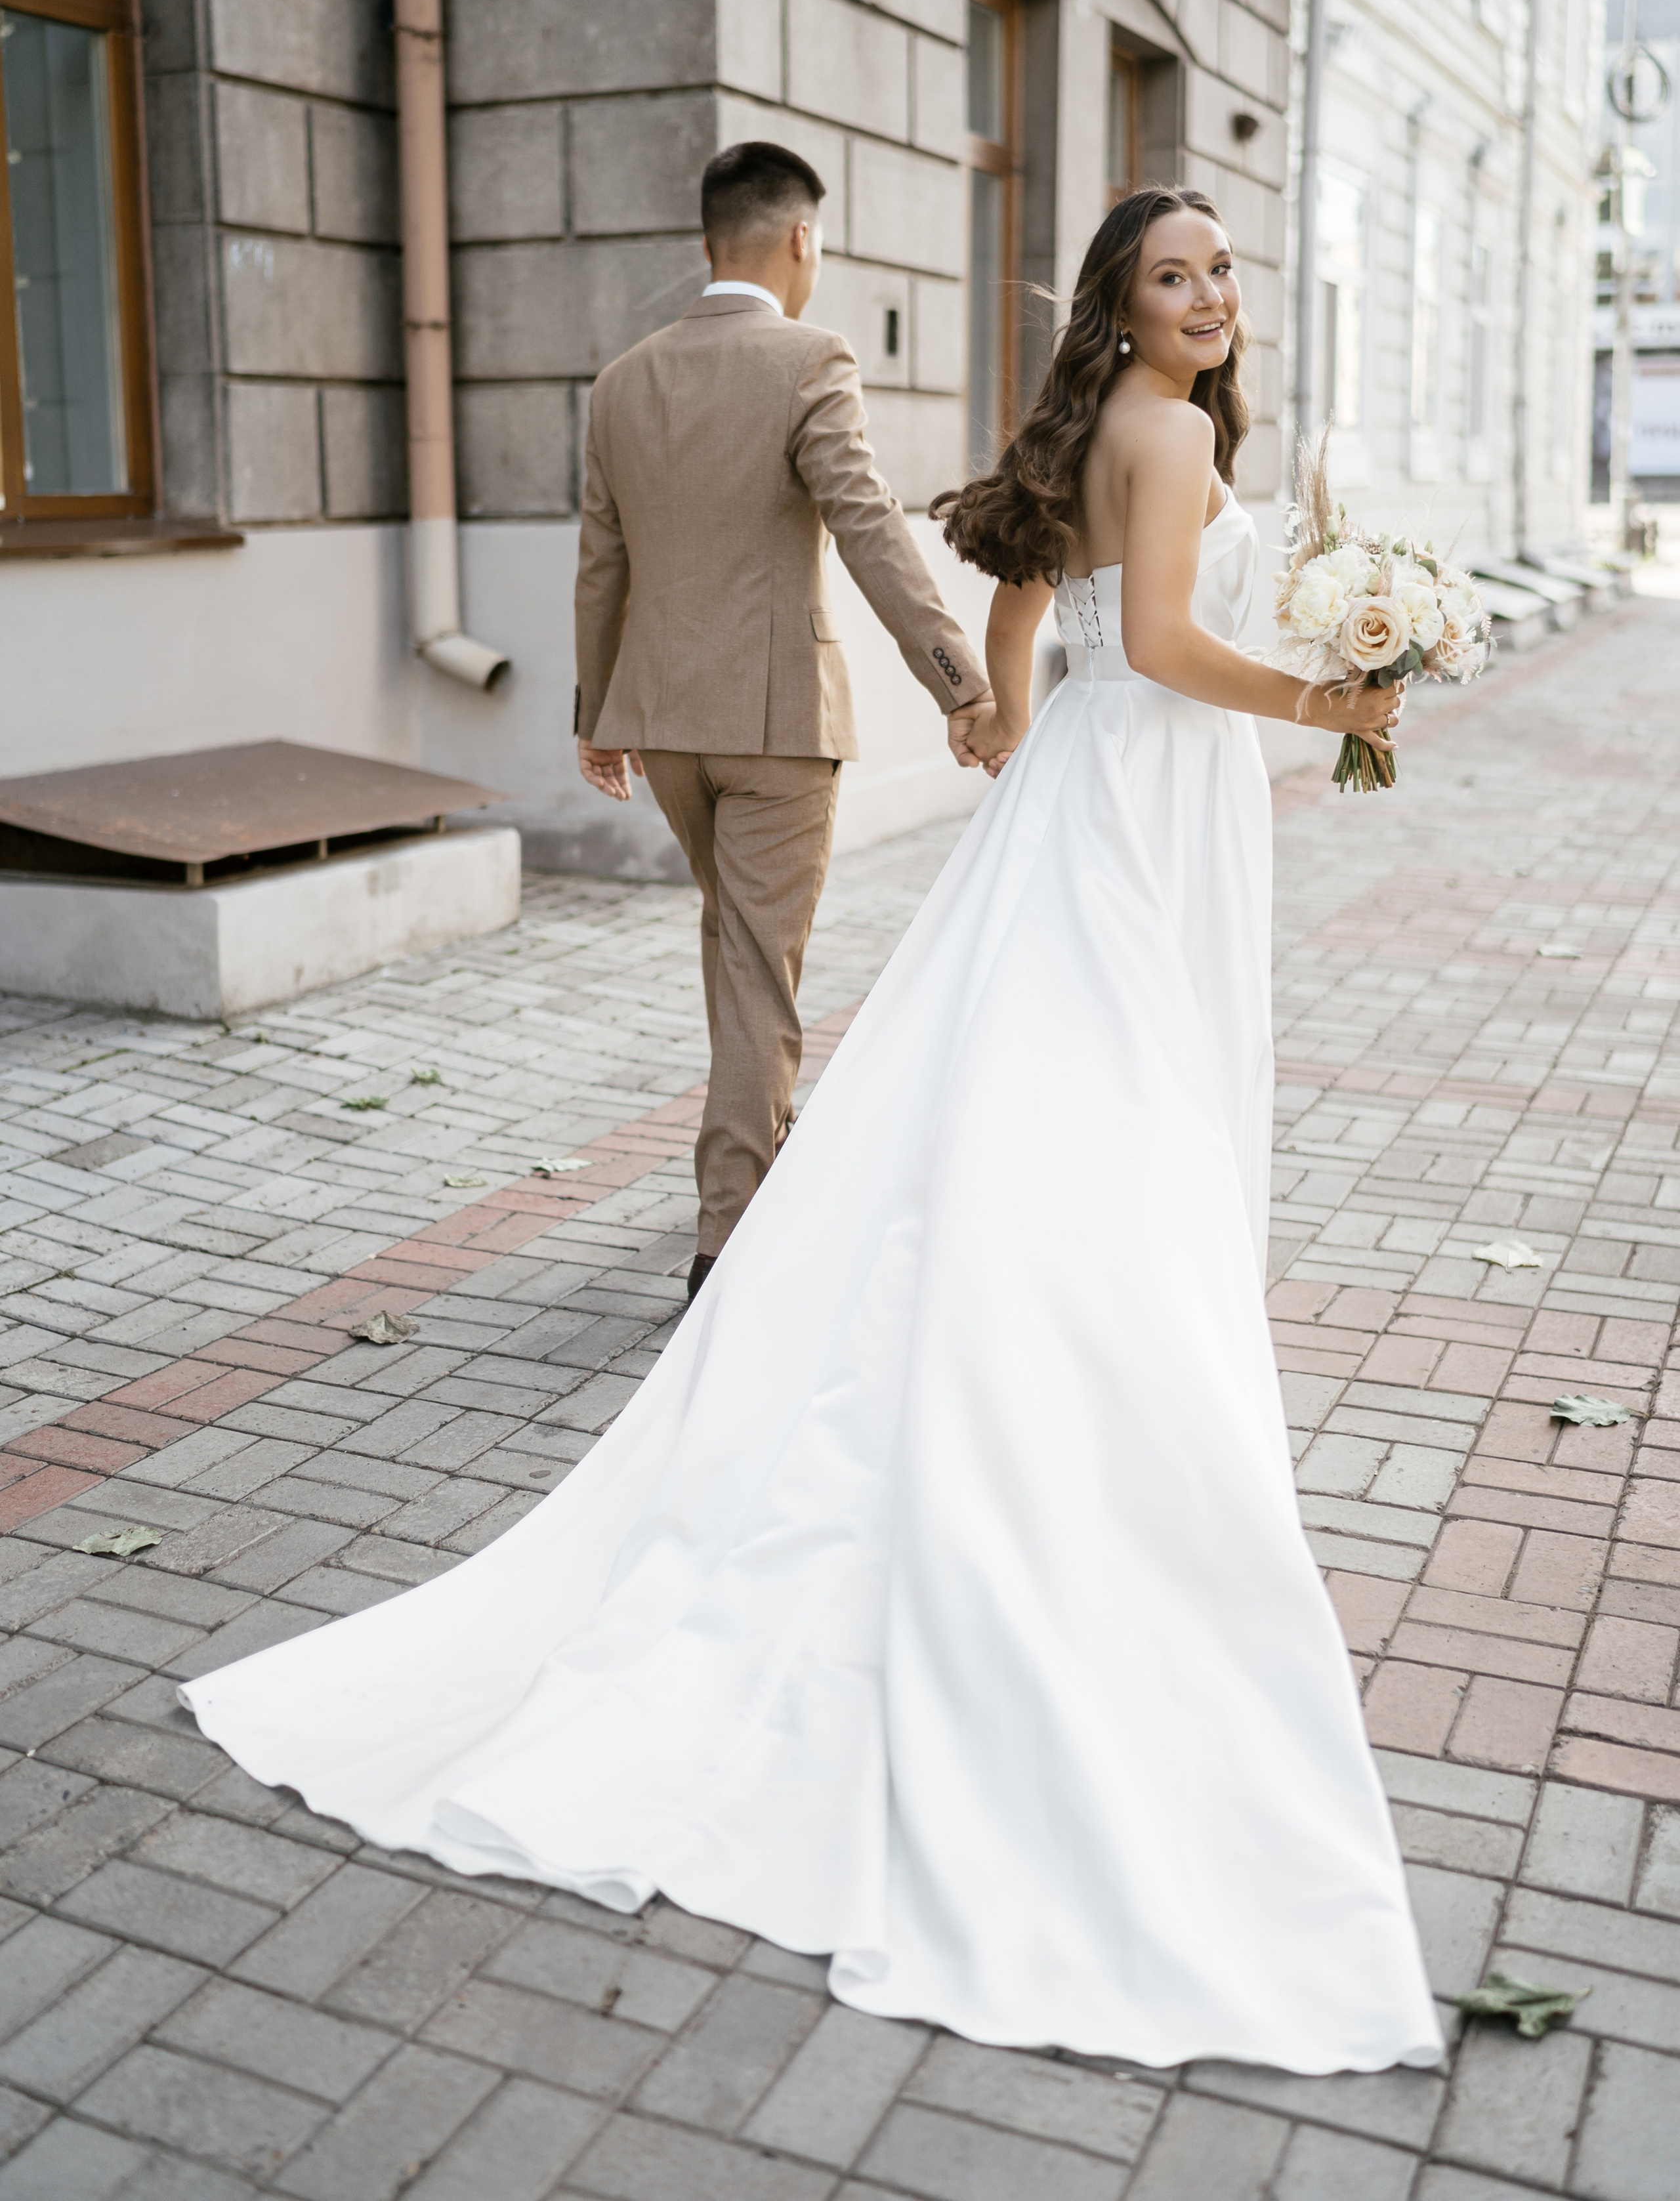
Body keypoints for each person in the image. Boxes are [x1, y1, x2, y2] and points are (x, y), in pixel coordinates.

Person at [182, 184, 1440, 2075]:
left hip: (1086, 795)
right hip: (1153, 793)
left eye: (1222, 270)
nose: (1210, 297)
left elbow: (1040, 589)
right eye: (1174, 276)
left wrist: (1008, 717)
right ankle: (1094, 1386)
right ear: (1121, 305)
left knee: (1033, 1094)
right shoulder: (1168, 431)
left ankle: (1003, 1324)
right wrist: (1329, 694)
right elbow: (1170, 643)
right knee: (1118, 1099)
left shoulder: (1102, 429)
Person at [572, 141, 990, 1302]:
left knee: (733, 947)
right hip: (779, 727)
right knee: (758, 968)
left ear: (710, 240)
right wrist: (961, 680)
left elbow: (599, 563)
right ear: (800, 239)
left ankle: (768, 1153)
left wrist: (593, 711)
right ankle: (730, 1242)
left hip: (663, 727)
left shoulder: (623, 379)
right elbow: (869, 525)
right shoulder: (812, 357)